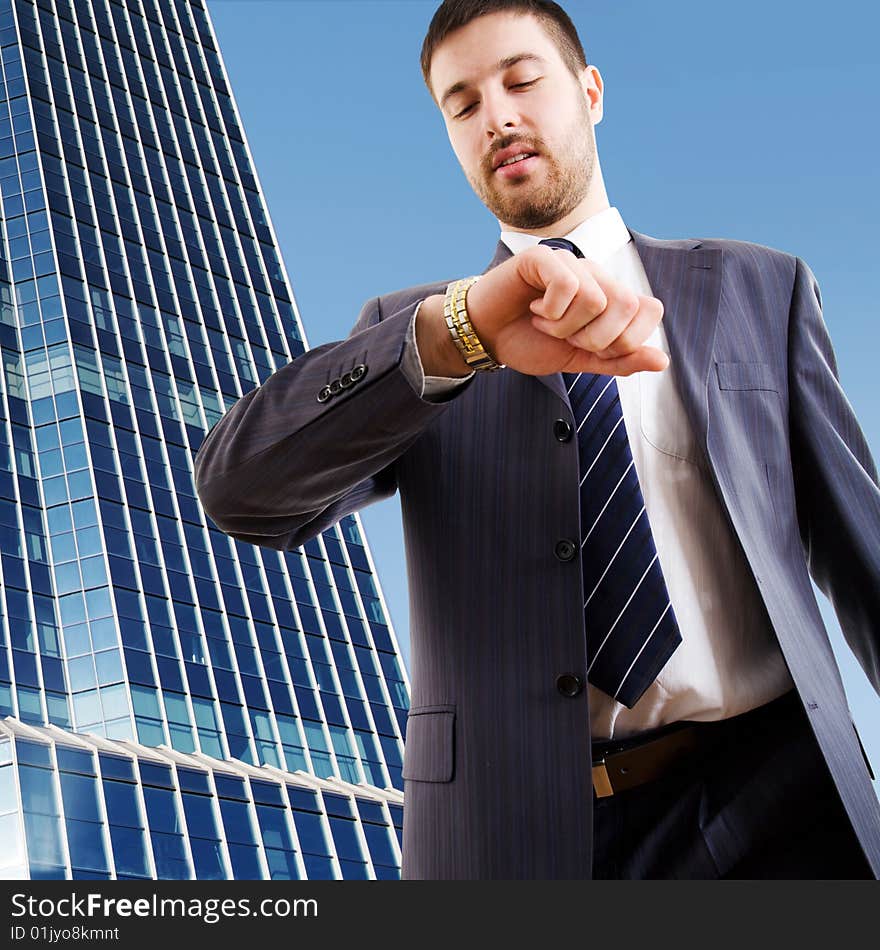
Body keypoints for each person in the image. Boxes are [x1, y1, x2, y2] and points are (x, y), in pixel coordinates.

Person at [195, 0, 880, 879]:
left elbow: (860, 551)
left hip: (779, 803)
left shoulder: (759, 286)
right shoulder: (413, 333)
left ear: (590, 92)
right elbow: (241, 492)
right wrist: (461, 333)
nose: (499, 116)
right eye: (464, 103)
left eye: (522, 81)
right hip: (516, 833)